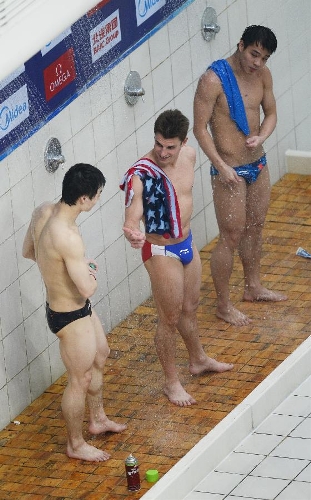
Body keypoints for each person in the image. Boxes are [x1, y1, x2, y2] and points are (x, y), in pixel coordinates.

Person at [120, 109, 233, 407]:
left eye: (170, 146)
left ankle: (197, 359)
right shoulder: (140, 174)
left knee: (190, 307)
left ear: (183, 143)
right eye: (159, 144)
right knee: (169, 319)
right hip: (161, 251)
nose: (163, 152)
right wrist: (132, 232)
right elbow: (131, 218)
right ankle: (171, 383)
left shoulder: (191, 156)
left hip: (187, 243)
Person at [22, 163, 126, 462]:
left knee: (101, 353)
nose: (98, 199)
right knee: (79, 379)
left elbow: (30, 251)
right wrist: (89, 270)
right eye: (97, 195)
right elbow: (87, 288)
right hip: (70, 317)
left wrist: (58, 270)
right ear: (84, 199)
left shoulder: (44, 211)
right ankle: (75, 444)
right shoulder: (67, 235)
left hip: (72, 309)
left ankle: (97, 419)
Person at [193, 25, 287, 327]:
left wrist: (261, 136)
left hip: (257, 164)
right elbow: (199, 128)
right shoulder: (213, 80)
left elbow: (270, 113)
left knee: (255, 227)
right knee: (231, 236)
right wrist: (221, 165)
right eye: (253, 54)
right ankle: (223, 305)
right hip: (229, 169)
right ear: (240, 44)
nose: (257, 62)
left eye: (263, 58)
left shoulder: (263, 76)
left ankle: (253, 287)